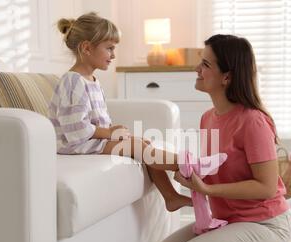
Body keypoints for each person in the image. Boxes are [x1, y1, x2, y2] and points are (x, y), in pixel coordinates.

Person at [154, 34, 291, 242]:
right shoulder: (208, 118)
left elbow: (265, 187)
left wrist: (208, 189)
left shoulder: (253, 121)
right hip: (227, 220)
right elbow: (214, 168)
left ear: (227, 77)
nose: (196, 69)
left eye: (206, 65)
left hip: (266, 225)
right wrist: (161, 161)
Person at [49, 12, 191, 212]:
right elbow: (76, 130)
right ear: (86, 48)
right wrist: (108, 133)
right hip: (73, 146)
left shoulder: (92, 81)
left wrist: (111, 130)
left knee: (143, 143)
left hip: (90, 141)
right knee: (137, 146)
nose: (113, 55)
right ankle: (187, 164)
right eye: (109, 48)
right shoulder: (73, 81)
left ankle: (171, 196)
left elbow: (94, 122)